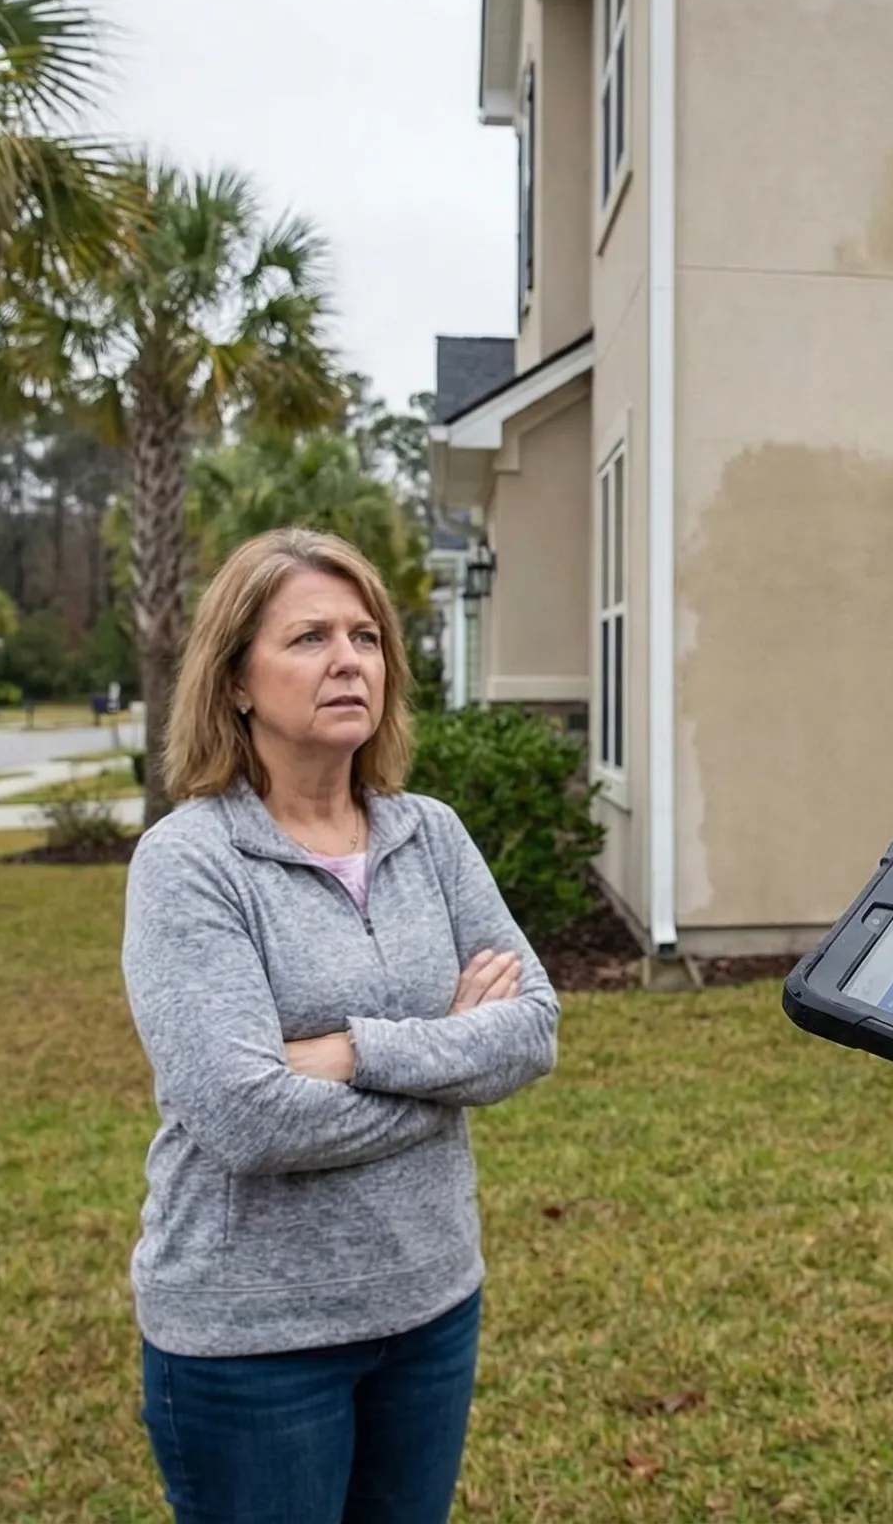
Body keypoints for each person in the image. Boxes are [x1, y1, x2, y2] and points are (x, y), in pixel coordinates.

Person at [120, 528, 559, 1524]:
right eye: (309, 637)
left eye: (365, 636)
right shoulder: (191, 863)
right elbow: (247, 1118)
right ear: (236, 680)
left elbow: (532, 1028)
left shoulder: (430, 833)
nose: (349, 659)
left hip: (430, 1305)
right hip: (252, 1341)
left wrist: (352, 1052)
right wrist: (451, 1069)